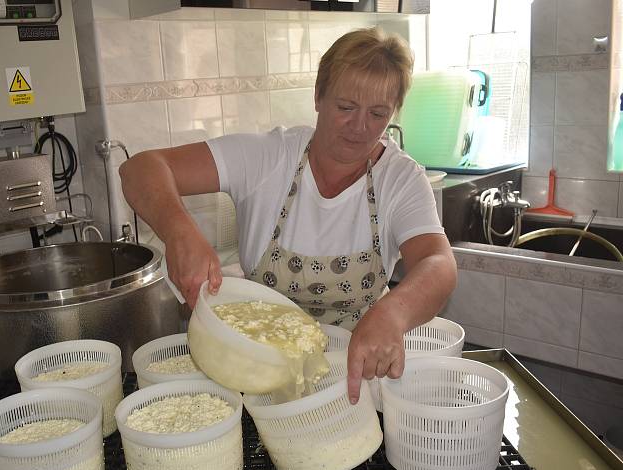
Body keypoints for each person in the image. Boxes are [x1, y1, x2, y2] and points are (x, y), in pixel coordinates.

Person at [120, 27, 457, 403]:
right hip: (257, 378)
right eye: (346, 108)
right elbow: (141, 169)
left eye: (378, 114)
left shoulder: (401, 179)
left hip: (354, 385)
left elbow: (438, 263)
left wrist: (393, 314)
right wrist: (180, 231)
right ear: (318, 96)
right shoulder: (269, 157)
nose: (361, 127)